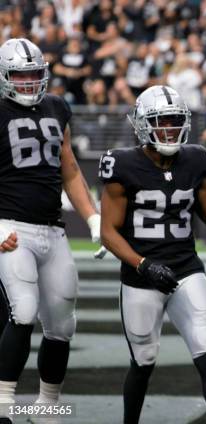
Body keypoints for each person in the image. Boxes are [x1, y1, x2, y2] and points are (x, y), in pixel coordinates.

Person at [99, 85, 206, 424]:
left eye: (175, 121)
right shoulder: (122, 164)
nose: (170, 129)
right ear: (143, 125)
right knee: (143, 361)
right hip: (140, 276)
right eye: (161, 122)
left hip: (186, 269)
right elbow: (109, 232)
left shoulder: (195, 158)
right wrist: (143, 264)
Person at [0, 38, 102, 420]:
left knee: (62, 325)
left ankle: (47, 405)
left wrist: (92, 217)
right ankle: (4, 404)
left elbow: (70, 168)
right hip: (10, 226)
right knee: (23, 312)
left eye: (33, 74)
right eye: (19, 75)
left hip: (53, 230)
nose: (27, 82)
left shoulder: (58, 107)